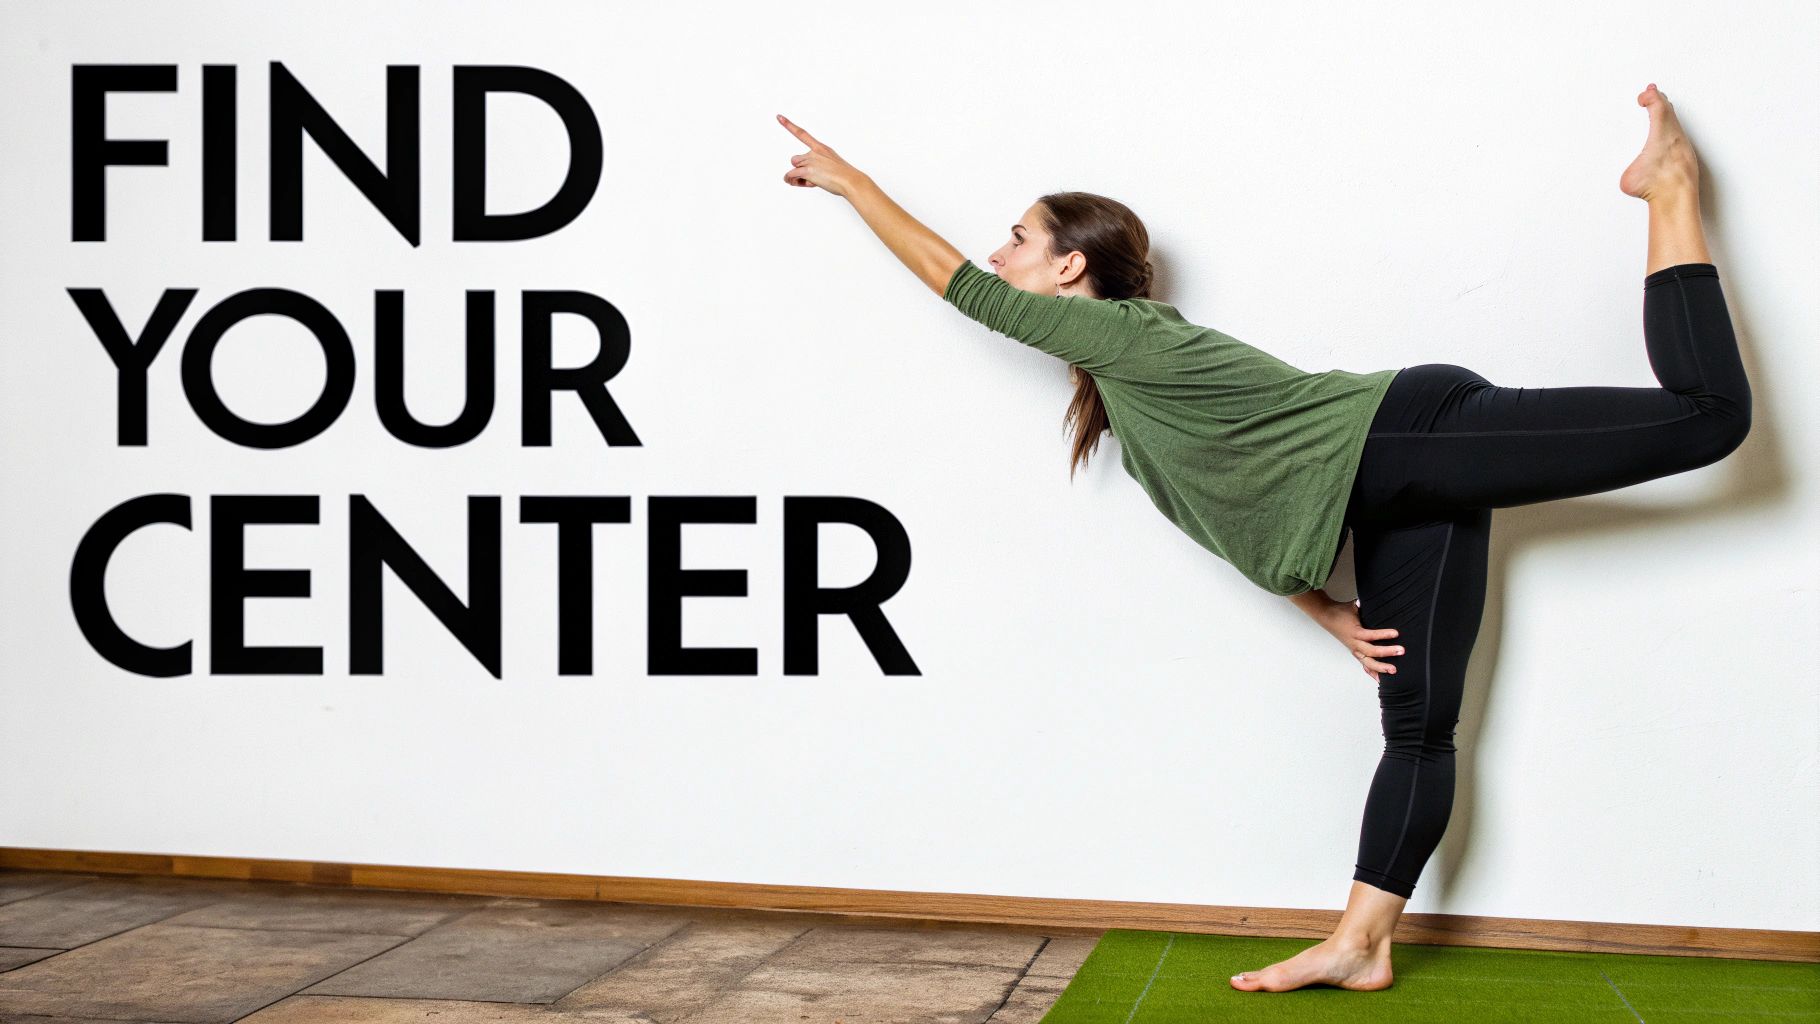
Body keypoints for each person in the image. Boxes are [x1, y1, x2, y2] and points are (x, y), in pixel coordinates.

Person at [775, 82, 1748, 994]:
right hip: (1381, 493)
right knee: (1416, 726)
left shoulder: (1124, 333)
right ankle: (1358, 944)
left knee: (1706, 416)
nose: (1001, 253)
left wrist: (852, 181)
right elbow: (1229, 514)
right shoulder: (1125, 394)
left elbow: (960, 287)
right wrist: (1322, 608)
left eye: (1018, 237)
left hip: (1407, 430)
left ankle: (1666, 187)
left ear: (1067, 266)